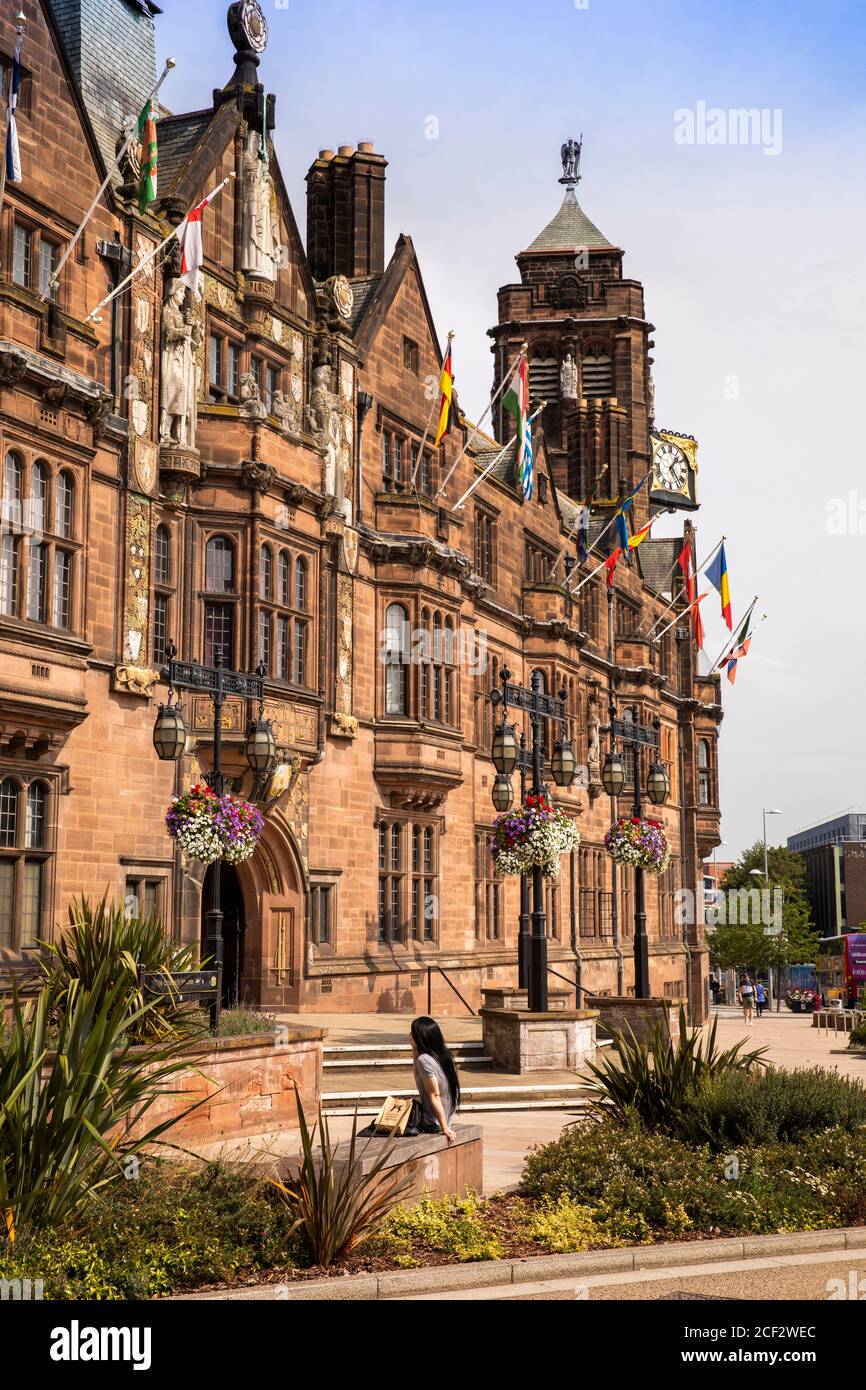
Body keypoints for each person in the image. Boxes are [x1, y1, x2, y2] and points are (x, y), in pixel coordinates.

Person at [410, 1016, 459, 1143]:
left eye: (412, 1033)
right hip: (447, 1117)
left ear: (420, 1037)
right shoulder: (445, 1056)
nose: (409, 1035)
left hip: (431, 1122)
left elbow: (434, 1095)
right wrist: (415, 1049)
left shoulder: (424, 1060)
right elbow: (417, 1077)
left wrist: (445, 1128)